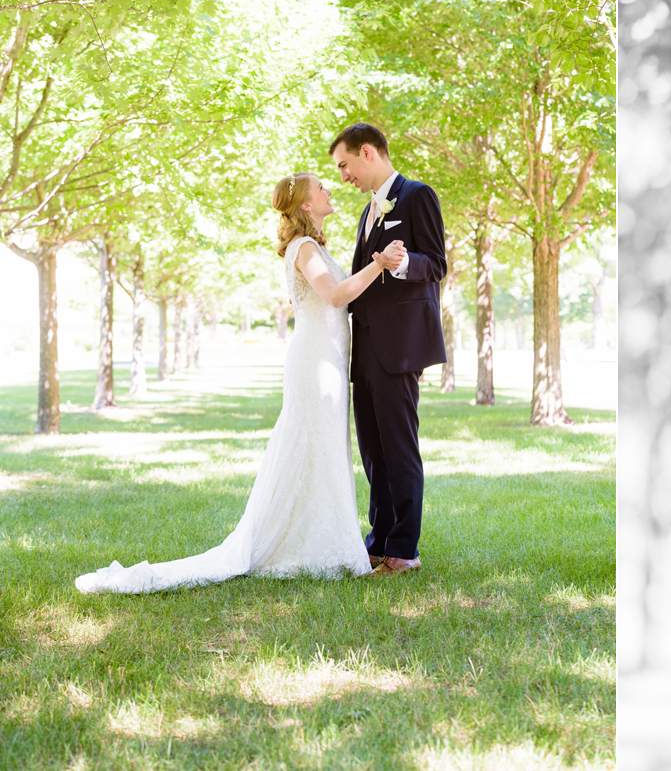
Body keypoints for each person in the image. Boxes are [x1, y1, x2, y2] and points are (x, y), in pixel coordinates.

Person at [76, 174, 390, 593]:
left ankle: (321, 541)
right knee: (311, 443)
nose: (330, 191)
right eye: (322, 188)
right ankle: (305, 545)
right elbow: (335, 297)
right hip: (314, 361)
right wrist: (379, 263)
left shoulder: (313, 245)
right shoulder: (306, 248)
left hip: (328, 359)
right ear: (306, 204)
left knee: (324, 447)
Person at [328, 122, 448, 578]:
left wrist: (403, 264)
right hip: (367, 348)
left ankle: (405, 549)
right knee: (374, 449)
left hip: (400, 347)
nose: (343, 176)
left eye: (344, 165)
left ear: (367, 153)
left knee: (399, 448)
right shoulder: (366, 212)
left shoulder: (417, 196)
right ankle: (378, 541)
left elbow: (436, 264)